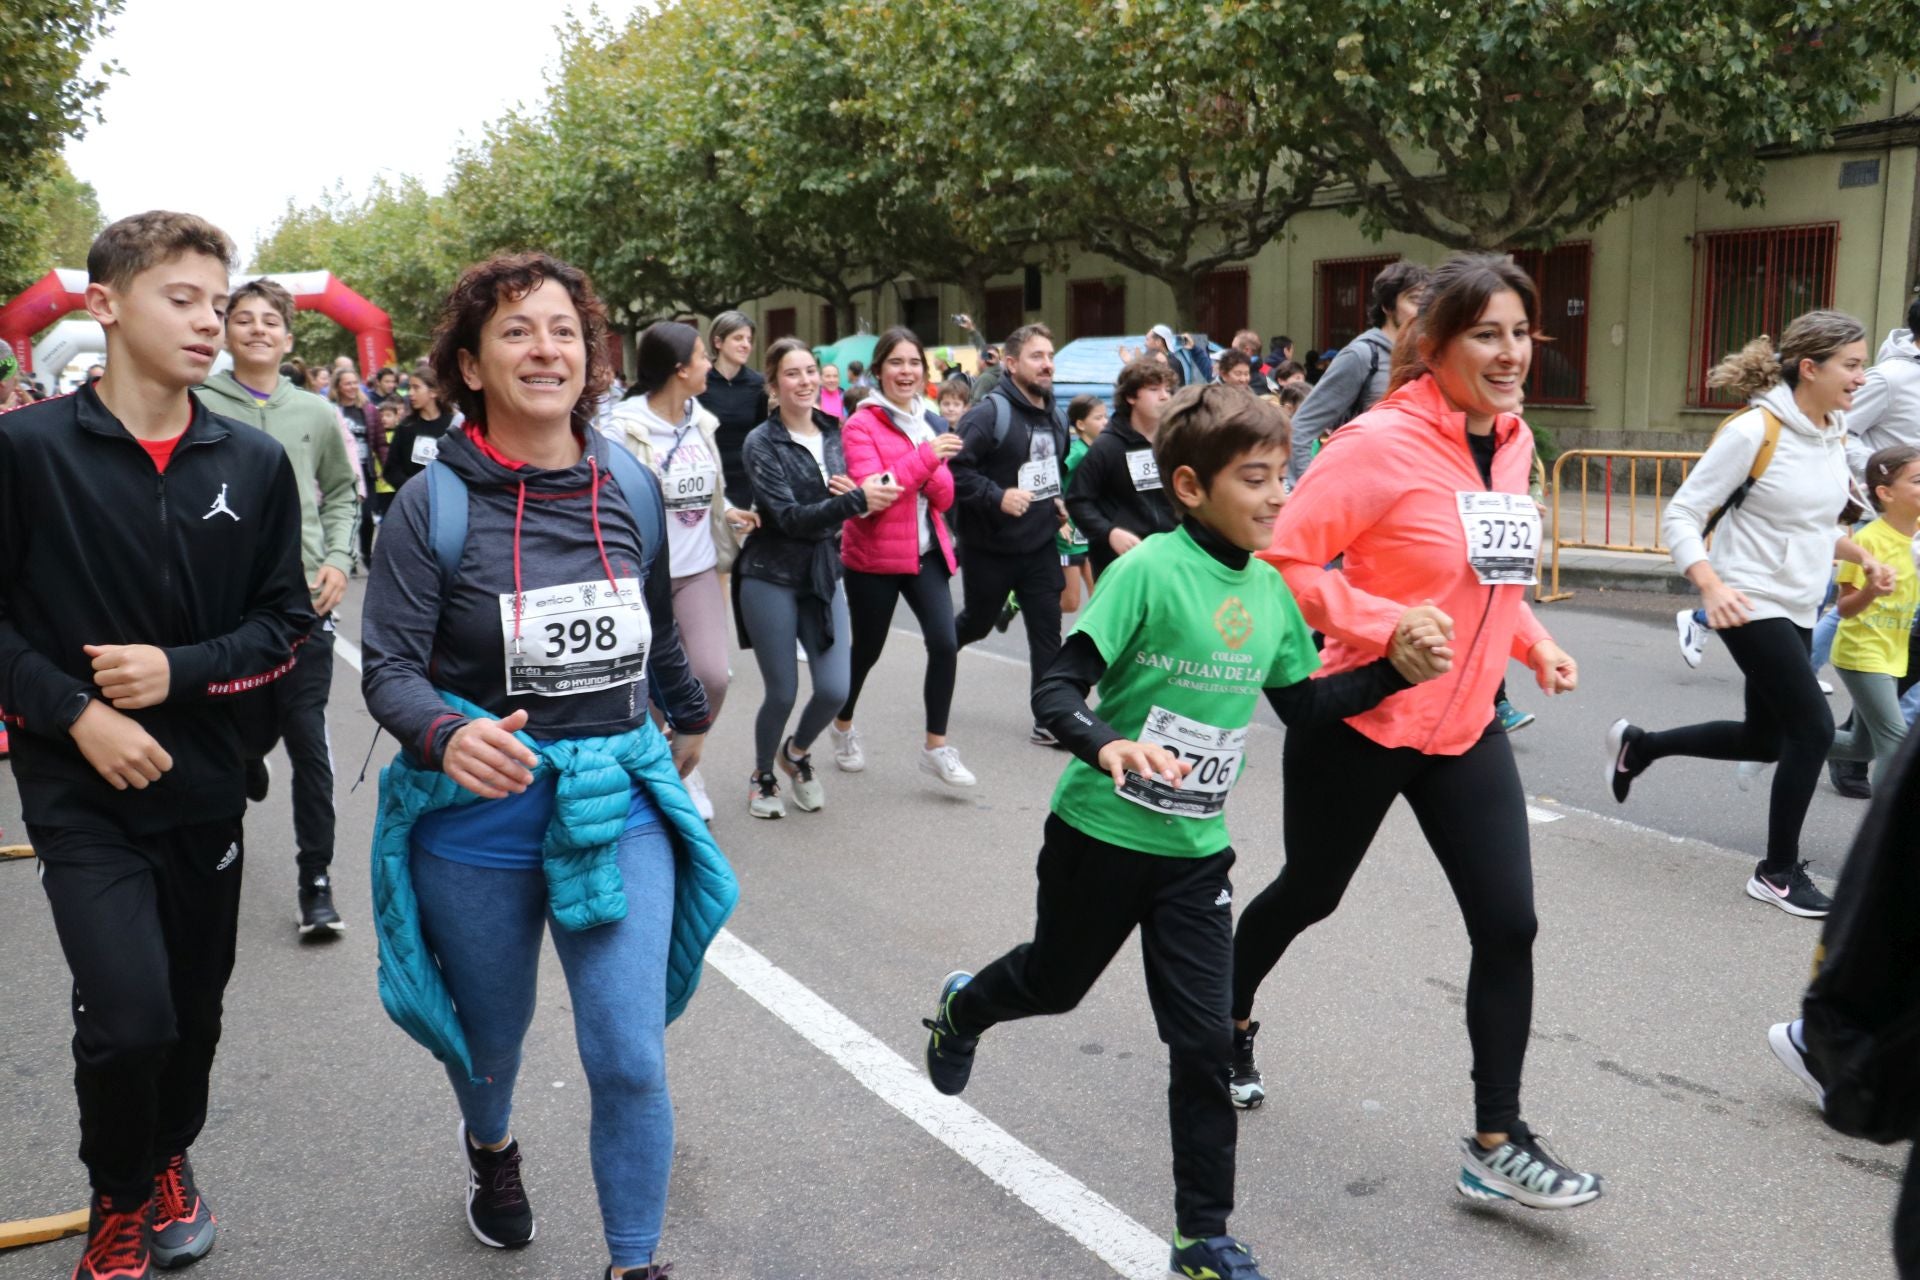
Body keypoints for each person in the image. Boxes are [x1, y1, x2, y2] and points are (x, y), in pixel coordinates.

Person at [921, 384, 1426, 1280]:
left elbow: (1303, 707)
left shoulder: (1271, 592)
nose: (1279, 496)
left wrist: (1391, 673)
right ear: (1190, 487)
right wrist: (1107, 742)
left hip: (1196, 858)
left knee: (1201, 1044)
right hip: (1099, 836)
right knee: (1056, 982)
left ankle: (1203, 1237)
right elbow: (1056, 687)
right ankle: (966, 1006)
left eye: (1286, 476)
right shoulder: (1148, 569)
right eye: (1257, 479)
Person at [361, 251, 731, 1280]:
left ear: (591, 352)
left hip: (615, 797)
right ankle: (492, 1145)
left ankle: (634, 1261)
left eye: (564, 328)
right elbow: (388, 667)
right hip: (478, 816)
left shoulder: (631, 484)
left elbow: (654, 624)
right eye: (516, 329)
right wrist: (444, 731)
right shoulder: (428, 506)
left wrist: (687, 710)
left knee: (627, 1053)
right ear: (472, 364)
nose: (546, 347)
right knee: (489, 1040)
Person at [1235, 253, 1601, 1210]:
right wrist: (1381, 626)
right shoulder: (1375, 443)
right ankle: (1220, 1016)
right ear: (1432, 347)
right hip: (1365, 711)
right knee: (1310, 892)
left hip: (1465, 721)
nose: (1512, 352)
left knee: (1509, 923)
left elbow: (1487, 576)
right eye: (1487, 334)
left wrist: (1533, 641)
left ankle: (1496, 1137)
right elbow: (1282, 563)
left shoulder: (1514, 440)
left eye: (1521, 332)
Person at [1, 211, 313, 1278]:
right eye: (181, 297)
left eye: (217, 303)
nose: (208, 321)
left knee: (190, 1009)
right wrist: (79, 713)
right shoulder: (24, 452)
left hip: (208, 784)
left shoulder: (256, 462)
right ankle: (120, 1192)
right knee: (128, 1015)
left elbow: (285, 626)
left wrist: (176, 672)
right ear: (105, 305)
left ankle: (170, 1148)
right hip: (76, 784)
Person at [1608, 311, 1893, 918]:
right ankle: (1777, 872)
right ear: (1810, 368)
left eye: (1863, 364)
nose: (1862, 377)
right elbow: (1681, 514)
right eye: (1852, 365)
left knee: (1765, 740)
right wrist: (1708, 585)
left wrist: (1859, 555)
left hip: (1793, 600)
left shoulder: (1831, 430)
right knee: (1813, 727)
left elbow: (1813, 523)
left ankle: (1641, 745)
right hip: (1744, 597)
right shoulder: (1754, 430)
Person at [193, 277, 359, 934]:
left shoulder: (316, 414)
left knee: (309, 743)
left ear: (288, 338)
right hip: (224, 611)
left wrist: (338, 561)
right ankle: (223, 834)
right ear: (226, 331)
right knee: (233, 743)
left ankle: (315, 881)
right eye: (244, 319)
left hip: (302, 608)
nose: (258, 328)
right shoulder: (197, 402)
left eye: (271, 321)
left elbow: (345, 494)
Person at [608, 321, 756, 823]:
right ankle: (658, 774)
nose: (710, 366)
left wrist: (729, 511)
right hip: (642, 578)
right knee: (645, 688)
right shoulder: (619, 429)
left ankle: (685, 759)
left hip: (696, 570)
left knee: (712, 676)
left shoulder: (701, 421)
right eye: (701, 357)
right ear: (678, 370)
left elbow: (706, 489)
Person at [735, 339, 873, 816]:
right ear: (773, 386)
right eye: (792, 374)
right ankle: (762, 775)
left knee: (835, 688)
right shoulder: (760, 442)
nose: (806, 381)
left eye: (811, 371)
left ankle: (794, 754)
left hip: (823, 571)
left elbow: (842, 498)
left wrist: (853, 493)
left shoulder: (835, 431)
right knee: (782, 690)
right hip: (770, 572)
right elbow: (789, 517)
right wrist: (855, 501)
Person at [830, 327, 973, 785]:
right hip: (873, 556)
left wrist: (928, 459)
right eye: (896, 362)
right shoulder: (861, 424)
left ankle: (936, 746)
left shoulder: (930, 421)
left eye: (914, 363)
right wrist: (927, 458)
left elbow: (946, 497)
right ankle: (842, 724)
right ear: (879, 371)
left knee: (946, 642)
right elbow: (877, 494)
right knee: (867, 651)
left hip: (926, 551)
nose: (906, 371)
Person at [950, 323, 1072, 745]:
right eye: (1037, 357)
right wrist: (996, 496)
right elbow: (952, 472)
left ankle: (1049, 717)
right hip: (990, 546)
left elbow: (1051, 468)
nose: (1047, 365)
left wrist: (1055, 502)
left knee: (1046, 628)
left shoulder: (1057, 416)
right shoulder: (988, 414)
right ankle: (941, 650)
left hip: (1038, 543)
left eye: (1050, 356)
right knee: (977, 623)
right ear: (1012, 363)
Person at [1821, 444, 1920, 784]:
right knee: (1894, 741)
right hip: (1862, 653)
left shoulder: (1918, 534)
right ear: (1885, 493)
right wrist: (1870, 591)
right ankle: (1886, 836)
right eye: (1918, 480)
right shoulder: (1867, 543)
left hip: (1894, 653)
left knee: (1861, 748)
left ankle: (1781, 743)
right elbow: (1845, 609)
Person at [1287, 260, 1432, 484]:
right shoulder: (1362, 356)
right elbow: (1300, 429)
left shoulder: (1427, 360)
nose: (1422, 311)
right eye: (1414, 300)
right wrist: (1309, 494)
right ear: (1387, 306)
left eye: (1427, 303)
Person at [1065, 356, 1179, 578]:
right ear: (1130, 397)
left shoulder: (1174, 441)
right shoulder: (1107, 446)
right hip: (1122, 563)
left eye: (1167, 389)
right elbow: (1078, 500)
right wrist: (1109, 533)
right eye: (1154, 389)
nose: (1165, 396)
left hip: (1170, 559)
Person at [694, 310, 766, 508]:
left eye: (749, 339)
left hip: (747, 482)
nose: (746, 345)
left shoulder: (758, 384)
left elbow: (761, 433)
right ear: (718, 342)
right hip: (707, 478)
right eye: (738, 338)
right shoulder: (699, 382)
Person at [332, 364, 384, 566]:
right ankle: (346, 555)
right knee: (346, 516)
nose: (352, 387)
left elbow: (380, 441)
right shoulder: (332, 409)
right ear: (338, 386)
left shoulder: (368, 410)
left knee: (366, 516)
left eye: (355, 383)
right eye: (347, 383)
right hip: (341, 471)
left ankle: (365, 553)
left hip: (366, 470)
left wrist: (384, 466)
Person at [1057, 393, 1105, 614]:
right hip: (1069, 532)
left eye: (1106, 417)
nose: (1105, 422)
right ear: (1080, 424)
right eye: (1098, 418)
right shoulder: (1075, 453)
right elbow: (1052, 480)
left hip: (1090, 531)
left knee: (1101, 598)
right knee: (1070, 603)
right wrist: (1059, 520)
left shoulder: (1100, 451)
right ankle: (1022, 598)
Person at [383, 366, 457, 492]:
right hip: (414, 500)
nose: (410, 393)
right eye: (409, 388)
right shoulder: (405, 427)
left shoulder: (453, 425)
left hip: (448, 495)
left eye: (416, 388)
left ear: (433, 392)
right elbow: (391, 470)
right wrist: (412, 488)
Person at [1146, 323, 1214, 387]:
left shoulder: (1171, 363)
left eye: (1147, 340)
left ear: (1158, 342)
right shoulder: (1174, 361)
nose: (1145, 344)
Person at [1231, 329, 1270, 393]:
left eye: (1234, 349)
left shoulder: (1257, 378)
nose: (1231, 353)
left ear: (1247, 350)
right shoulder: (1264, 368)